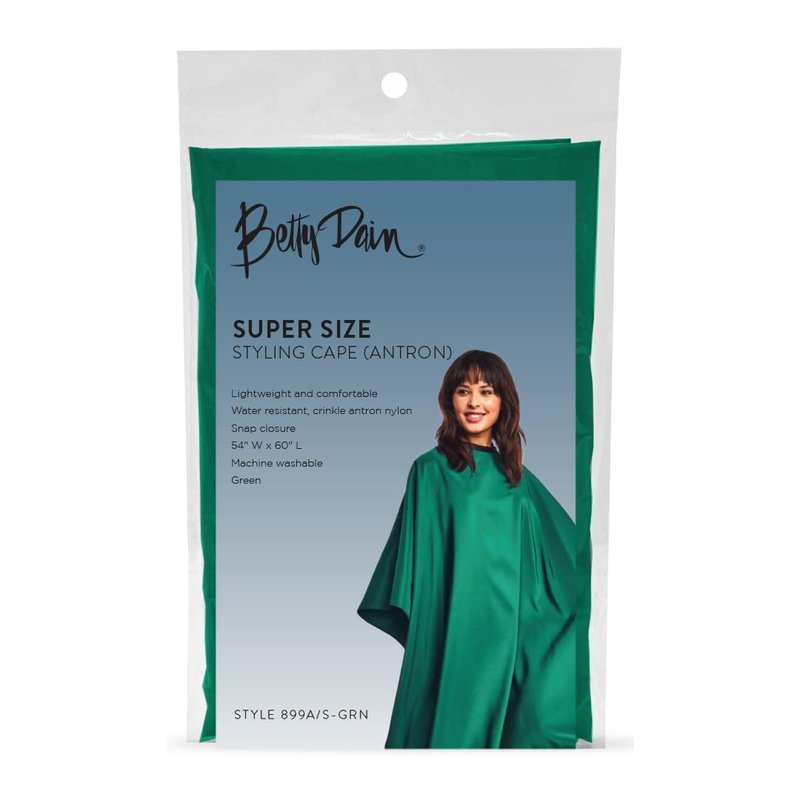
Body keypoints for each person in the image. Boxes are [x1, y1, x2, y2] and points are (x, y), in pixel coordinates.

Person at [357, 350, 591, 748]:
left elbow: (570, 556)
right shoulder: (429, 470)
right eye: (463, 391)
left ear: (503, 402)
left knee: (539, 720)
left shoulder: (518, 479)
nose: (474, 402)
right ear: (449, 399)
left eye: (486, 391)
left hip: (513, 633)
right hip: (456, 626)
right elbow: (422, 562)